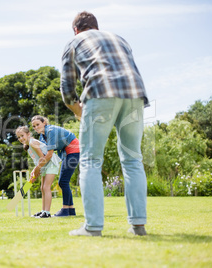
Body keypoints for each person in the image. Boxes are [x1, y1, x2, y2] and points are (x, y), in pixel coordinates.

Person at [60, 11, 149, 236]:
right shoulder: (120, 39)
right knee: (132, 159)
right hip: (135, 96)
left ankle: (92, 227)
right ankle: (138, 226)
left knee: (90, 160)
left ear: (76, 30)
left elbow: (67, 89)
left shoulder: (74, 41)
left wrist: (78, 110)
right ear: (96, 27)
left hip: (100, 94)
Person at [31, 115, 80, 217]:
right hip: (67, 153)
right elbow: (44, 155)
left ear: (44, 122)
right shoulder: (42, 136)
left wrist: (38, 168)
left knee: (63, 181)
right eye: (34, 126)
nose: (36, 127)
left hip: (73, 150)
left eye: (37, 124)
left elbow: (49, 155)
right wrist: (37, 169)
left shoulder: (50, 131)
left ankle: (65, 209)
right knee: (64, 181)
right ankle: (70, 210)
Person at [15, 126, 61, 218]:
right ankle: (43, 211)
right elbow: (38, 160)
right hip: (44, 165)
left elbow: (43, 158)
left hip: (51, 163)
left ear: (28, 134)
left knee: (46, 187)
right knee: (42, 188)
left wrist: (37, 168)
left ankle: (47, 213)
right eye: (19, 137)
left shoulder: (32, 143)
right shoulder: (27, 146)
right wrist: (35, 170)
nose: (21, 138)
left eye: (22, 136)